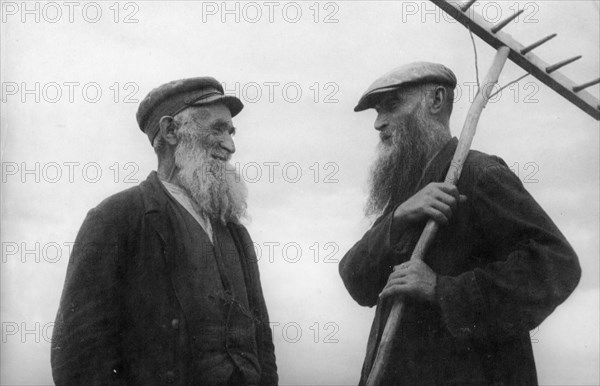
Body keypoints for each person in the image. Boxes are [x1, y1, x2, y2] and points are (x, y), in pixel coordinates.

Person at [339, 62, 581, 385]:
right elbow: (355, 278)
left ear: (436, 100)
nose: (379, 123)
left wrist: (442, 290)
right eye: (377, 113)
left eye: (392, 105)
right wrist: (398, 219)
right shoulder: (410, 197)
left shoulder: (479, 175)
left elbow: (558, 265)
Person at [51, 77, 278, 386]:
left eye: (231, 131)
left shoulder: (235, 232)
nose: (230, 145)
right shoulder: (116, 219)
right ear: (171, 131)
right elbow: (78, 358)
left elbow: (262, 345)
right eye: (217, 129)